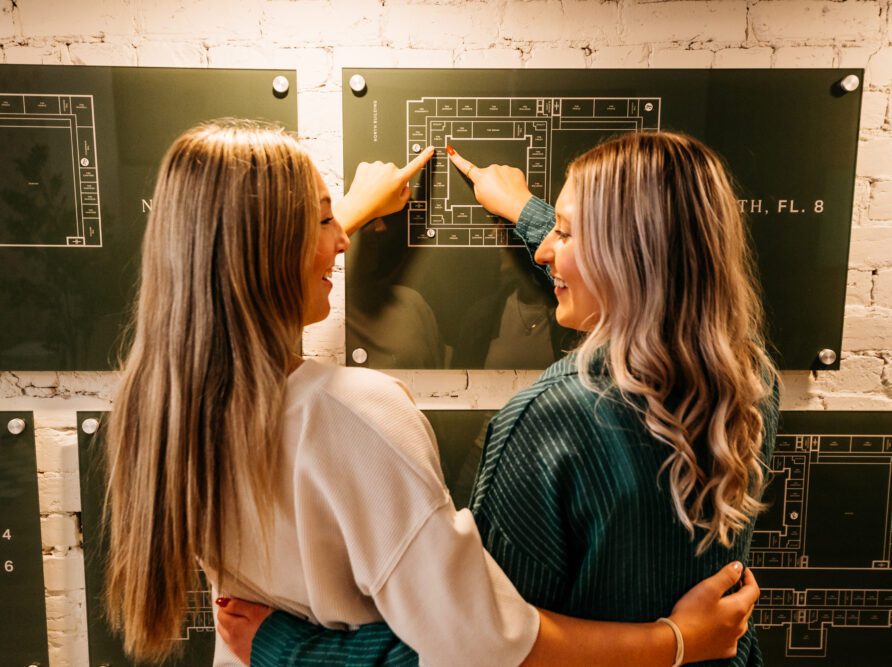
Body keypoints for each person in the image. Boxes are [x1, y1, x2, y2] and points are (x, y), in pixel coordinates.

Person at [103, 121, 760, 667]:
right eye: (326, 221)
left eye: (567, 231)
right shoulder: (746, 382)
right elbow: (480, 642)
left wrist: (524, 215)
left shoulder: (165, 402)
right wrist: (679, 640)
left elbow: (229, 269)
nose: (341, 241)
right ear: (272, 248)